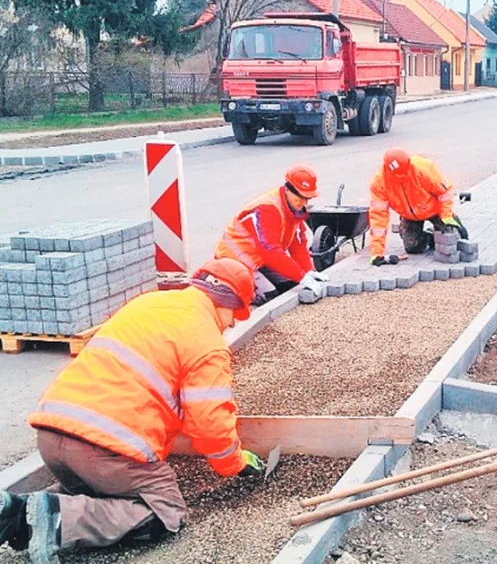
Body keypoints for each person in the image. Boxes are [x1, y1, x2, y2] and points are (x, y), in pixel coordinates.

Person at [0, 258, 265, 564]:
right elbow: (209, 424)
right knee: (167, 513)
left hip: (52, 435)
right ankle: (57, 520)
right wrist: (234, 462)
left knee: (107, 496)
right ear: (226, 301)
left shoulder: (148, 304)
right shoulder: (206, 341)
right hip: (105, 448)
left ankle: (17, 511)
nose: (231, 324)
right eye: (235, 314)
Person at [215, 163, 329, 304]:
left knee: (291, 286)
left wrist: (307, 271)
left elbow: (298, 243)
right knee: (270, 297)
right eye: (300, 197)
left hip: (261, 260)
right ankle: (227, 285)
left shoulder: (294, 208)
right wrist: (301, 277)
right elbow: (270, 251)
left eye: (307, 198)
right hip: (235, 262)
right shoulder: (267, 209)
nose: (303, 202)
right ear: (287, 189)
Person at [368, 147, 467, 265]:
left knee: (456, 240)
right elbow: (378, 219)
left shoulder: (423, 168)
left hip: (434, 210)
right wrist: (377, 253)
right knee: (412, 247)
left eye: (404, 173)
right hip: (409, 215)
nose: (403, 177)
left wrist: (446, 215)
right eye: (399, 175)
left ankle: (451, 224)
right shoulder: (379, 183)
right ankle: (431, 237)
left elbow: (445, 191)